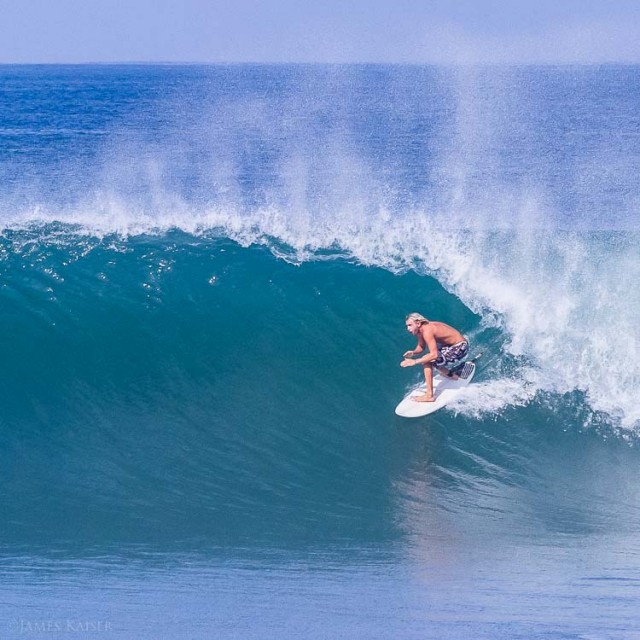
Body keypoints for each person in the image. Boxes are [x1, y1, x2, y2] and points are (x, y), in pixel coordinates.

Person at [400, 312, 469, 403]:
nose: (408, 329)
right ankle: (452, 376)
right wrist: (413, 352)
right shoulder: (421, 330)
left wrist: (415, 361)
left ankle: (429, 396)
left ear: (418, 323)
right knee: (429, 358)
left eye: (409, 325)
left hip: (460, 347)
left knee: (427, 361)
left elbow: (434, 355)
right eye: (407, 326)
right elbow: (421, 347)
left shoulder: (427, 330)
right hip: (450, 346)